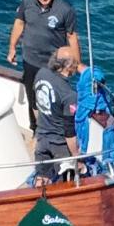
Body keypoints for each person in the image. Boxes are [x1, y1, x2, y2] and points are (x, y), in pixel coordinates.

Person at [7, 0, 81, 119]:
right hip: (30, 60)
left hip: (53, 64)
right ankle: (36, 130)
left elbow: (72, 37)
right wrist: (12, 48)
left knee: (52, 99)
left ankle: (56, 129)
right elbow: (19, 23)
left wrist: (77, 63)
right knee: (33, 98)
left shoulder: (65, 10)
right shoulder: (27, 2)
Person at [31, 45, 81, 183]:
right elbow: (69, 132)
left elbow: (35, 105)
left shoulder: (41, 74)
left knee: (41, 179)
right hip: (59, 145)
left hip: (41, 139)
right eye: (75, 62)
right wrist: (77, 157)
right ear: (69, 66)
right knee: (66, 183)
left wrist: (39, 129)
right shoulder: (69, 95)